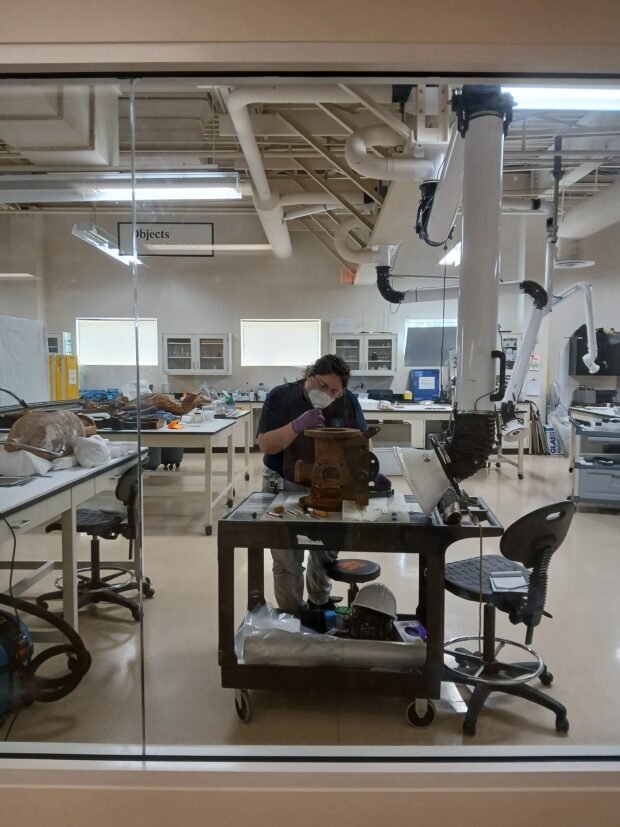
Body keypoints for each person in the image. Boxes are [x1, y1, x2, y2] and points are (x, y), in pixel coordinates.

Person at [256, 354, 367, 616]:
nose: (327, 394)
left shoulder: (347, 401)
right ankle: (292, 615)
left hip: (330, 488)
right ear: (309, 376)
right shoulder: (280, 397)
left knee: (325, 551)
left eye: (334, 391)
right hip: (284, 484)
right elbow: (266, 445)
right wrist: (296, 426)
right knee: (286, 559)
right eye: (321, 386)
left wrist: (364, 471)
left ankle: (320, 603)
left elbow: (362, 441)